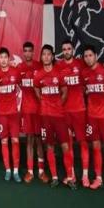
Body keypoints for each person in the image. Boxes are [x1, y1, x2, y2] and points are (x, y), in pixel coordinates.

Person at [34, 45, 77, 189]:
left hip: (59, 115)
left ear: (52, 56)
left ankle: (70, 177)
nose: (46, 57)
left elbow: (64, 91)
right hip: (45, 116)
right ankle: (54, 177)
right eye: (43, 54)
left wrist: (58, 104)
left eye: (48, 54)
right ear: (41, 57)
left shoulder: (59, 73)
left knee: (65, 145)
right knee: (49, 146)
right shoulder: (38, 75)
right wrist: (43, 102)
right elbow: (36, 89)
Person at [57, 40, 89, 187]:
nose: (66, 51)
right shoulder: (58, 66)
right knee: (67, 144)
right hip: (65, 112)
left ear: (73, 50)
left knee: (83, 143)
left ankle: (85, 176)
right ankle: (72, 175)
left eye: (69, 49)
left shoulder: (81, 64)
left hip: (79, 110)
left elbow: (92, 71)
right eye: (64, 49)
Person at [18, 41, 48, 183]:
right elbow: (18, 83)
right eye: (25, 51)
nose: (28, 53)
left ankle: (41, 171)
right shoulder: (19, 68)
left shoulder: (39, 66)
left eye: (30, 50)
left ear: (33, 52)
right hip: (27, 109)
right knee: (29, 139)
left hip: (40, 109)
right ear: (23, 52)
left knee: (39, 140)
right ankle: (30, 171)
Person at [81, 45, 104, 190]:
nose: (88, 58)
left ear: (96, 56)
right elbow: (84, 90)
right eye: (86, 56)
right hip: (92, 116)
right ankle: (99, 178)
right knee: (96, 146)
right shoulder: (84, 73)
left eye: (90, 55)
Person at [0, 47, 22, 182]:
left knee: (15, 141)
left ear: (9, 59)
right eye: (1, 57)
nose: (3, 60)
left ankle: (16, 171)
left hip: (14, 114)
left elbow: (23, 83)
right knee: (4, 141)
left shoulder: (15, 72)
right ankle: (8, 170)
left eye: (5, 57)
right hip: (2, 114)